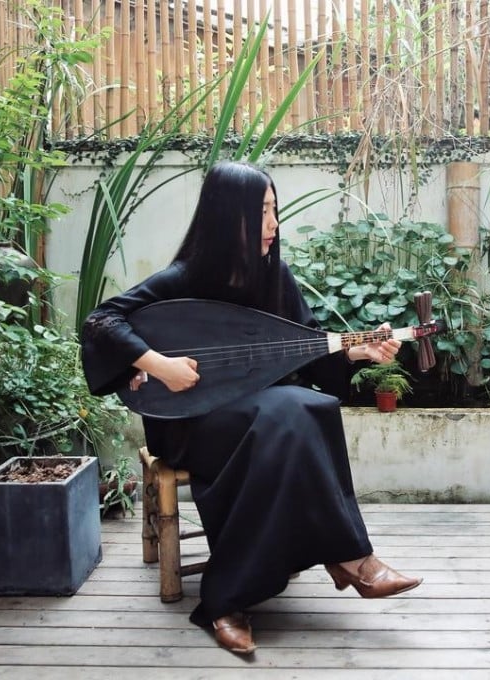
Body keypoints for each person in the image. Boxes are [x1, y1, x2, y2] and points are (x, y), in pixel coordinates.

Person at [80, 160, 422, 655]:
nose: (273, 225)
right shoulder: (183, 278)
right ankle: (349, 559)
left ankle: (230, 599)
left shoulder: (273, 277)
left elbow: (308, 350)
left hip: (260, 417)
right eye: (262, 212)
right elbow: (100, 322)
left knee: (307, 408)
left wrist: (357, 351)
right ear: (228, 216)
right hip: (189, 424)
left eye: (275, 211)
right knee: (289, 412)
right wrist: (158, 364)